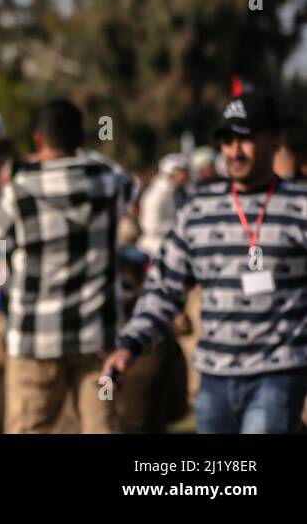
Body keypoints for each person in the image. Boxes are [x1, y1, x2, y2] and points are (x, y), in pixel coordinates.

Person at [104, 90, 307, 433]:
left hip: (278, 375)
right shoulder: (199, 210)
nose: (234, 151)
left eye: (245, 139)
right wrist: (130, 344)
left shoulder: (299, 205)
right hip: (214, 380)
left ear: (274, 141)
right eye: (227, 141)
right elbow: (164, 287)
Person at [0, 98, 134, 433]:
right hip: (96, 340)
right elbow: (125, 179)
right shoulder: (109, 184)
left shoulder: (19, 192)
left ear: (38, 140)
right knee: (102, 427)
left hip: (33, 343)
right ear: (83, 142)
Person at [136, 153, 190, 257]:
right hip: (156, 247)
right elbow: (151, 226)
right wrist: (180, 227)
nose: (187, 175)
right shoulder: (157, 195)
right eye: (183, 171)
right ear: (172, 173)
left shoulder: (178, 191)